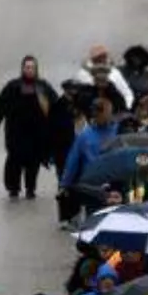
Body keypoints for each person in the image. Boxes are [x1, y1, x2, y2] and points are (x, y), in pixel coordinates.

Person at [0, 56, 58, 201]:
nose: (29, 70)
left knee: (33, 163)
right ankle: (13, 188)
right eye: (27, 67)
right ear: (22, 68)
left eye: (32, 67)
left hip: (36, 134)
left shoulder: (43, 87)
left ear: (36, 69)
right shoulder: (13, 87)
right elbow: (1, 104)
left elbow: (55, 106)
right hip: (16, 133)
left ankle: (30, 188)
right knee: (14, 161)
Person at [59, 97, 119, 228]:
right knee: (94, 221)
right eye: (96, 114)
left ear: (109, 113)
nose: (99, 117)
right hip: (92, 185)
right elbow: (73, 161)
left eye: (102, 113)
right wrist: (64, 183)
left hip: (115, 183)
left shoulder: (119, 132)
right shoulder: (84, 136)